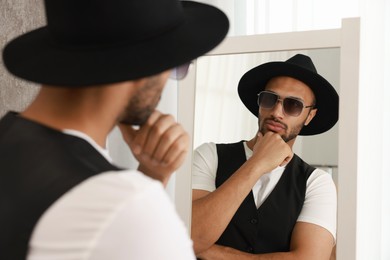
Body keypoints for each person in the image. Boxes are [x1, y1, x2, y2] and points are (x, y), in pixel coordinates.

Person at [0, 0, 229, 259]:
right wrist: (142, 193)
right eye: (177, 65)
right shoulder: (123, 206)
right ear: (143, 65)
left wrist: (152, 175)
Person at [191, 54, 338, 259]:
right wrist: (257, 164)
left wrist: (216, 253)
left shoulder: (317, 183)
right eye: (270, 99)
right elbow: (190, 236)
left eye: (293, 105)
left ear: (310, 116)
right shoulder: (209, 155)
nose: (277, 112)